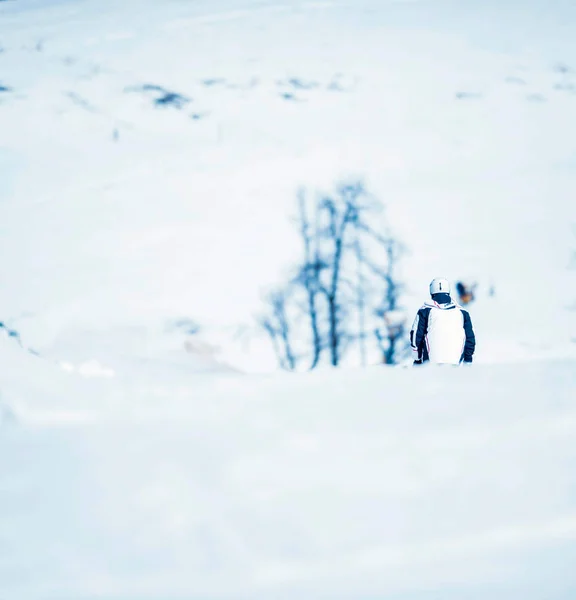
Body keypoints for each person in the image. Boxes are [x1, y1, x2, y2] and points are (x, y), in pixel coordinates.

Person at [410, 277, 475, 365]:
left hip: (430, 364)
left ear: (431, 292)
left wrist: (417, 359)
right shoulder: (462, 313)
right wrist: (468, 360)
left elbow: (416, 337)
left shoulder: (425, 311)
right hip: (455, 364)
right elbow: (470, 338)